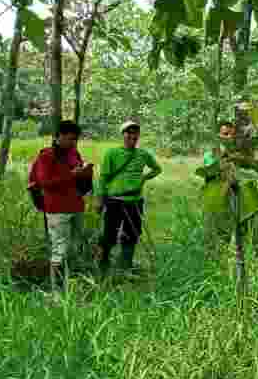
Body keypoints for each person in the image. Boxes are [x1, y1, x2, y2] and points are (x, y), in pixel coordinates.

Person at [28, 120, 93, 289]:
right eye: (70, 139)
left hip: (76, 205)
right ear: (58, 137)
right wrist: (72, 174)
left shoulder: (74, 153)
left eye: (75, 139)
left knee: (77, 244)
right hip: (57, 209)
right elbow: (45, 182)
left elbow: (77, 174)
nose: (72, 143)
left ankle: (72, 281)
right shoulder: (46, 156)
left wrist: (85, 172)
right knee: (60, 248)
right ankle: (55, 288)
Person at [96, 121, 162, 274]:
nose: (132, 135)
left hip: (135, 201)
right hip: (114, 200)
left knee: (132, 234)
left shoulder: (143, 154)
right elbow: (103, 178)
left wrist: (144, 178)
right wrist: (100, 199)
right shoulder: (112, 153)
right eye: (128, 132)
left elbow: (157, 169)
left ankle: (125, 266)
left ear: (138, 135)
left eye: (135, 132)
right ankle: (103, 265)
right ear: (123, 134)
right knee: (109, 234)